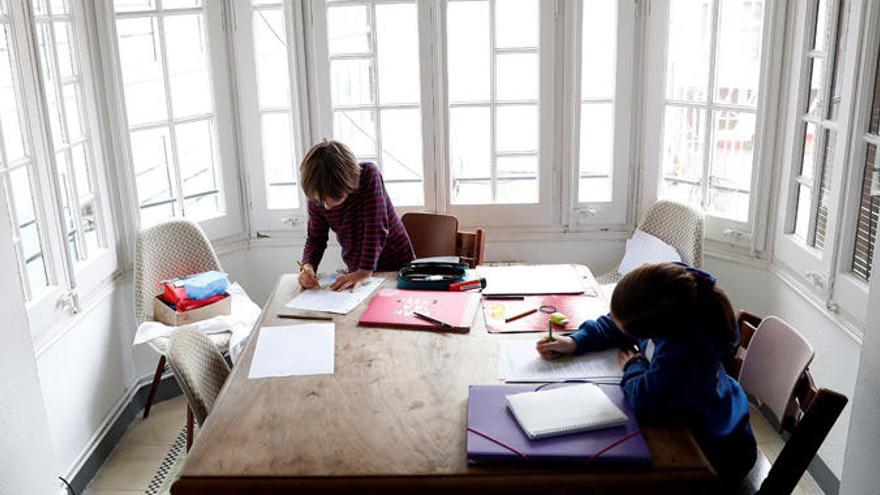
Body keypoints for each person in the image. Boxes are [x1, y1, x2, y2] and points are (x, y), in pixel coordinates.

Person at [536, 262, 756, 482]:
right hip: (704, 417)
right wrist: (575, 341)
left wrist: (633, 365)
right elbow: (616, 323)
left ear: (653, 329)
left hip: (717, 454)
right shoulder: (670, 302)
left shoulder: (685, 350)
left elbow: (645, 401)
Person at [297, 139, 415, 291]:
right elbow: (316, 237)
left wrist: (364, 271)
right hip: (358, 267)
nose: (325, 206)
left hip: (395, 264)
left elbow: (375, 228)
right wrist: (308, 266)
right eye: (320, 201)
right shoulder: (318, 192)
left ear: (350, 183)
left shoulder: (368, 176)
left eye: (334, 198)